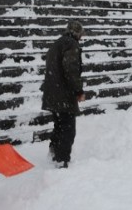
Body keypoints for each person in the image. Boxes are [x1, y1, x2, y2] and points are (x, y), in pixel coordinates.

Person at [41, 21, 86, 168]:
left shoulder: (57, 44)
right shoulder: (71, 44)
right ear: (77, 33)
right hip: (63, 94)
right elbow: (71, 70)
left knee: (59, 125)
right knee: (68, 128)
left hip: (52, 93)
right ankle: (62, 161)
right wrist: (78, 90)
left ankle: (54, 153)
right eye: (81, 34)